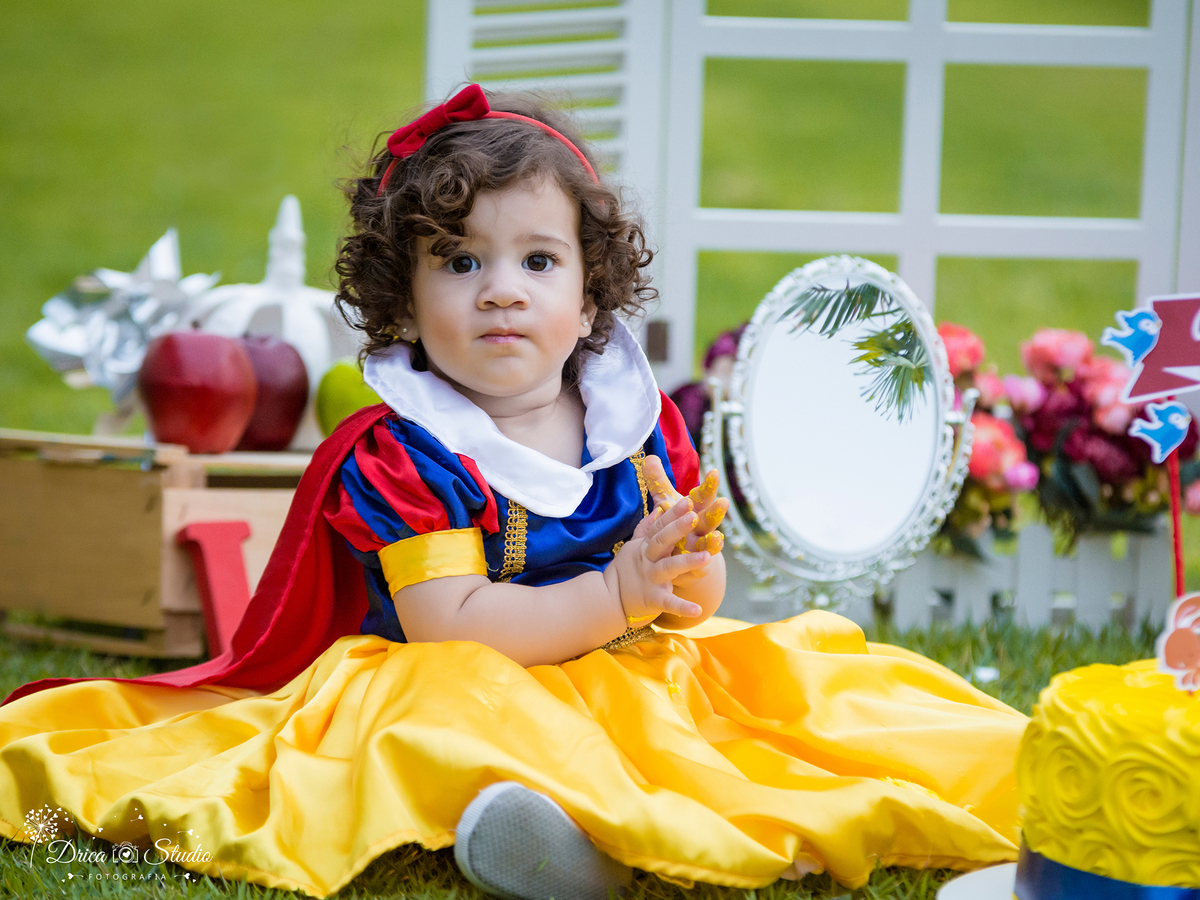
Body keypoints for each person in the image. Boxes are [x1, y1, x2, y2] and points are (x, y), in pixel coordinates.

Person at [0, 85, 1028, 900]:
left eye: (539, 259)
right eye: (461, 261)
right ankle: (568, 845)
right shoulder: (411, 453)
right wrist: (617, 596)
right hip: (469, 666)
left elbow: (694, 598)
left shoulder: (636, 422)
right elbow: (452, 622)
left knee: (803, 711)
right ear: (405, 300)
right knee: (458, 717)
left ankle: (645, 836)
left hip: (627, 664)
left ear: (589, 299)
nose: (501, 287)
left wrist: (679, 575)